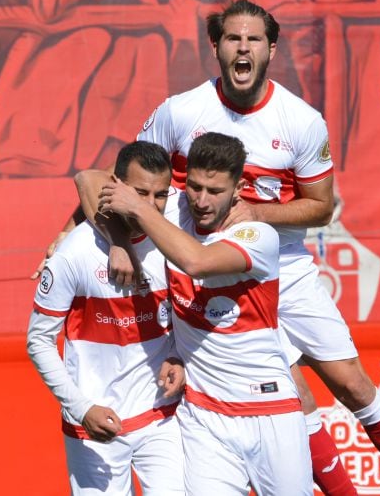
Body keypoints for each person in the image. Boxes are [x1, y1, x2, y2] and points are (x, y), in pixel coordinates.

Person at [45, 0, 380, 495]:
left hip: (280, 269)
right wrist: (89, 234)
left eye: (253, 40)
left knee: (352, 384)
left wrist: (256, 214)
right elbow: (116, 176)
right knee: (292, 395)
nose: (243, 47)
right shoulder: (180, 111)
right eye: (233, 38)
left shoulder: (300, 120)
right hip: (201, 271)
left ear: (271, 49)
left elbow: (321, 207)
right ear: (215, 47)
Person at [98, 131, 311, 496]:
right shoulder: (175, 209)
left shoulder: (258, 237)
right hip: (204, 419)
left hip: (271, 412)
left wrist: (136, 207)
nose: (201, 201)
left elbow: (195, 262)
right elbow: (88, 179)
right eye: (194, 187)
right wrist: (117, 241)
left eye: (215, 192)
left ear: (238, 188)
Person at [26, 141, 186, 495]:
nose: (150, 204)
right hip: (94, 424)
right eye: (140, 192)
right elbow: (37, 341)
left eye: (160, 195)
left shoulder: (176, 238)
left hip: (163, 416)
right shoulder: (74, 253)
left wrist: (180, 357)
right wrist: (81, 409)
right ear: (116, 184)